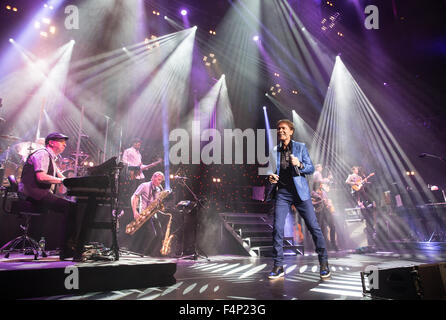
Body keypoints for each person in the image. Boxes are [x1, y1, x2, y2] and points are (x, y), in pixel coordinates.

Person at [267, 119, 330, 280]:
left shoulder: (300, 147)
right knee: (277, 228)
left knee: (313, 227)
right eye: (279, 128)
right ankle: (278, 266)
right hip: (283, 193)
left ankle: (324, 263)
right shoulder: (275, 150)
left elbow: (310, 167)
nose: (280, 131)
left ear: (291, 131)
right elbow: (272, 170)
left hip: (300, 193)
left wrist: (300, 164)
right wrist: (271, 177)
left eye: (284, 128)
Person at [18, 132, 78, 260]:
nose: (65, 144)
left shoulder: (51, 158)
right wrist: (63, 181)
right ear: (51, 142)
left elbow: (62, 177)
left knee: (69, 206)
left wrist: (77, 185)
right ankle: (66, 249)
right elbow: (41, 177)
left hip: (38, 193)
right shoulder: (42, 154)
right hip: (32, 193)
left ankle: (54, 246)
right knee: (71, 208)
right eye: (61, 141)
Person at [130, 171, 166, 256]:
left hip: (153, 214)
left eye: (161, 181)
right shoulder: (144, 185)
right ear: (153, 177)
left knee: (160, 235)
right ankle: (141, 253)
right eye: (158, 179)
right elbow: (134, 197)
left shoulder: (158, 189)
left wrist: (160, 202)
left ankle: (149, 254)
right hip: (144, 214)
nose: (159, 182)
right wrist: (135, 211)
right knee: (151, 234)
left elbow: (156, 202)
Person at [311, 182, 338, 251]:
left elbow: (326, 200)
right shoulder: (312, 193)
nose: (322, 185)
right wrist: (320, 201)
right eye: (321, 184)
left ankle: (333, 244)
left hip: (326, 210)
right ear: (318, 185)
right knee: (320, 229)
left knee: (332, 226)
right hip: (319, 212)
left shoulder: (323, 192)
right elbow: (311, 203)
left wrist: (328, 204)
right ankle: (319, 246)